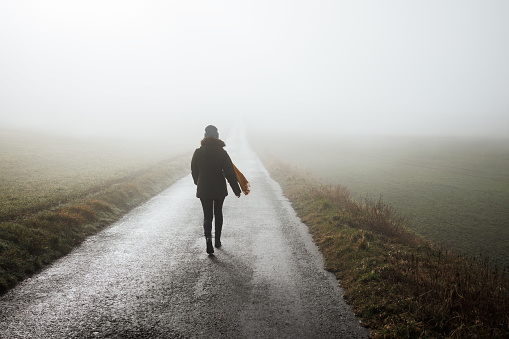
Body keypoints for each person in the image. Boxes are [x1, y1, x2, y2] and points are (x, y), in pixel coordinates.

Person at [191, 125, 241, 255]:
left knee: (207, 216)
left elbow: (194, 171)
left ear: (205, 136)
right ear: (217, 136)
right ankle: (217, 240)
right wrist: (236, 189)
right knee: (218, 212)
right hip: (219, 188)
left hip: (204, 189)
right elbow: (230, 173)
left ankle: (208, 238)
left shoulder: (198, 152)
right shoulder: (222, 153)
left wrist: (199, 183)